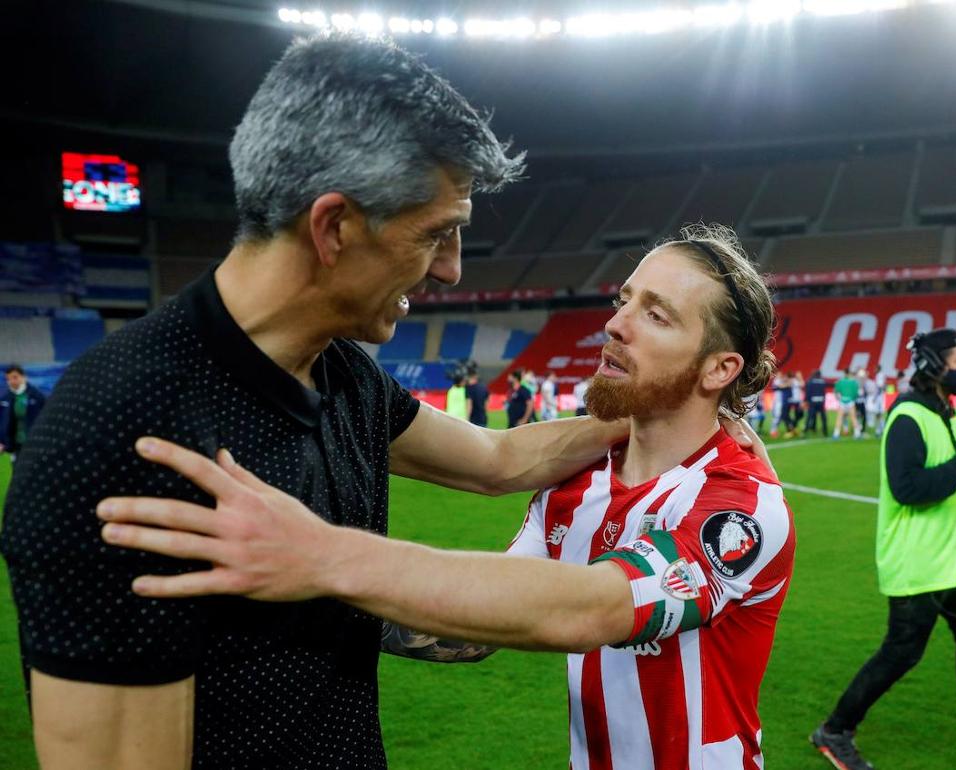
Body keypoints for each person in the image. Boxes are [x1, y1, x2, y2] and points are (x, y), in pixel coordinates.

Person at [0, 32, 638, 770]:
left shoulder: (342, 372)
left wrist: (659, 407)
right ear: (333, 227)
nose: (452, 273)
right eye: (438, 235)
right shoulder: (120, 431)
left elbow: (495, 458)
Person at [95, 224, 796, 770]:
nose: (615, 323)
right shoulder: (578, 485)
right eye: (624, 300)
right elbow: (472, 628)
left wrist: (321, 554)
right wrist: (259, 595)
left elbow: (593, 608)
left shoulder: (740, 505)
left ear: (720, 368)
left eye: (657, 315)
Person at [810, 328, 956, 769]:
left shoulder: (947, 412)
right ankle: (835, 729)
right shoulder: (908, 416)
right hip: (918, 562)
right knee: (902, 651)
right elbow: (910, 489)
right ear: (935, 367)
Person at [0, 365, 47, 465]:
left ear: (24, 377)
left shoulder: (37, 396)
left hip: (35, 442)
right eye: (8, 379)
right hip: (15, 443)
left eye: (15, 377)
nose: (11, 381)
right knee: (17, 471)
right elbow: (2, 422)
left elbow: (48, 419)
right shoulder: (5, 398)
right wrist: (2, 442)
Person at [833, 370, 862, 440]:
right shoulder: (853, 382)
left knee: (839, 418)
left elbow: (836, 392)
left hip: (842, 401)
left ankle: (836, 434)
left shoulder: (840, 381)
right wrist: (852, 398)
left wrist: (839, 399)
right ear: (849, 374)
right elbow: (856, 393)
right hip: (850, 401)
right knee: (853, 417)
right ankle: (857, 434)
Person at [805, 368, 829, 436]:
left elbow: (808, 392)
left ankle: (806, 430)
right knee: (823, 418)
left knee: (809, 417)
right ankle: (825, 431)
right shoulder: (822, 381)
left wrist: (806, 400)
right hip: (821, 401)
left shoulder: (810, 381)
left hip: (813, 401)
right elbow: (824, 392)